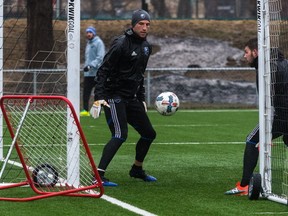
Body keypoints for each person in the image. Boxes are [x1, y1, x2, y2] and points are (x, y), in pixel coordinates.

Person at [90, 9, 157, 186]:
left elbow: (140, 75)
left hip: (131, 98)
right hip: (113, 96)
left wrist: (141, 97)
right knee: (120, 134)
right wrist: (99, 97)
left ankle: (136, 169)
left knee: (149, 133)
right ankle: (98, 176)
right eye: (141, 24)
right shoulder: (121, 44)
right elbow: (103, 70)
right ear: (133, 25)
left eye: (147, 25)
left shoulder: (146, 47)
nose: (144, 28)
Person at [225, 38, 288, 195]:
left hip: (282, 115)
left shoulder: (267, 67)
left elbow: (268, 100)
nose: (244, 56)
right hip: (283, 113)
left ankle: (244, 186)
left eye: (246, 52)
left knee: (252, 139)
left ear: (256, 52)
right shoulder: (280, 62)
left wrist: (266, 132)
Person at [80, 26, 105, 117]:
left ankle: (97, 110)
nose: (88, 34)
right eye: (87, 32)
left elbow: (100, 57)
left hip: (97, 72)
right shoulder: (88, 44)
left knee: (98, 92)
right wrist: (86, 66)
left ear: (94, 33)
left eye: (90, 32)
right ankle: (86, 110)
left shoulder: (98, 43)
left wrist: (91, 65)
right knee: (86, 92)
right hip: (88, 73)